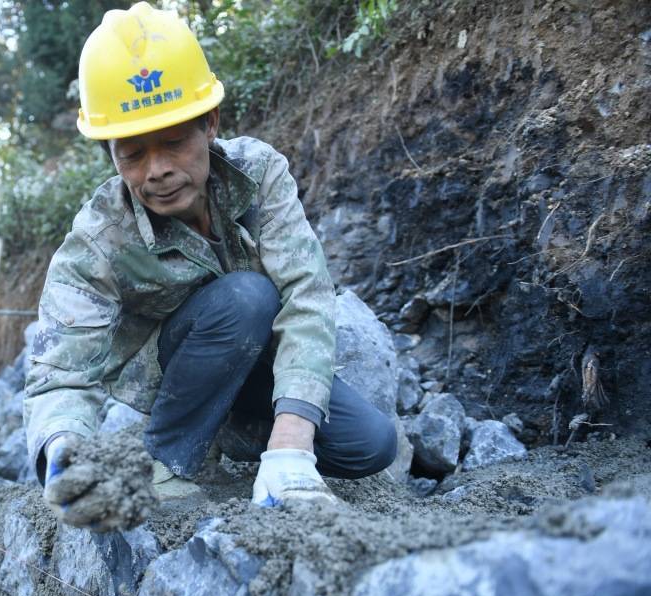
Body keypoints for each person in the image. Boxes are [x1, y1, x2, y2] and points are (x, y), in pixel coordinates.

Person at [24, 3, 397, 527]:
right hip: (174, 377)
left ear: (210, 124)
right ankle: (166, 458)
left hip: (256, 362)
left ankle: (236, 435)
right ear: (110, 152)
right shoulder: (100, 238)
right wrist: (65, 454)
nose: (158, 171)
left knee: (372, 446)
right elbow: (59, 370)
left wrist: (291, 441)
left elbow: (307, 296)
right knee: (246, 297)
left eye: (174, 142)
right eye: (131, 154)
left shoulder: (259, 174)